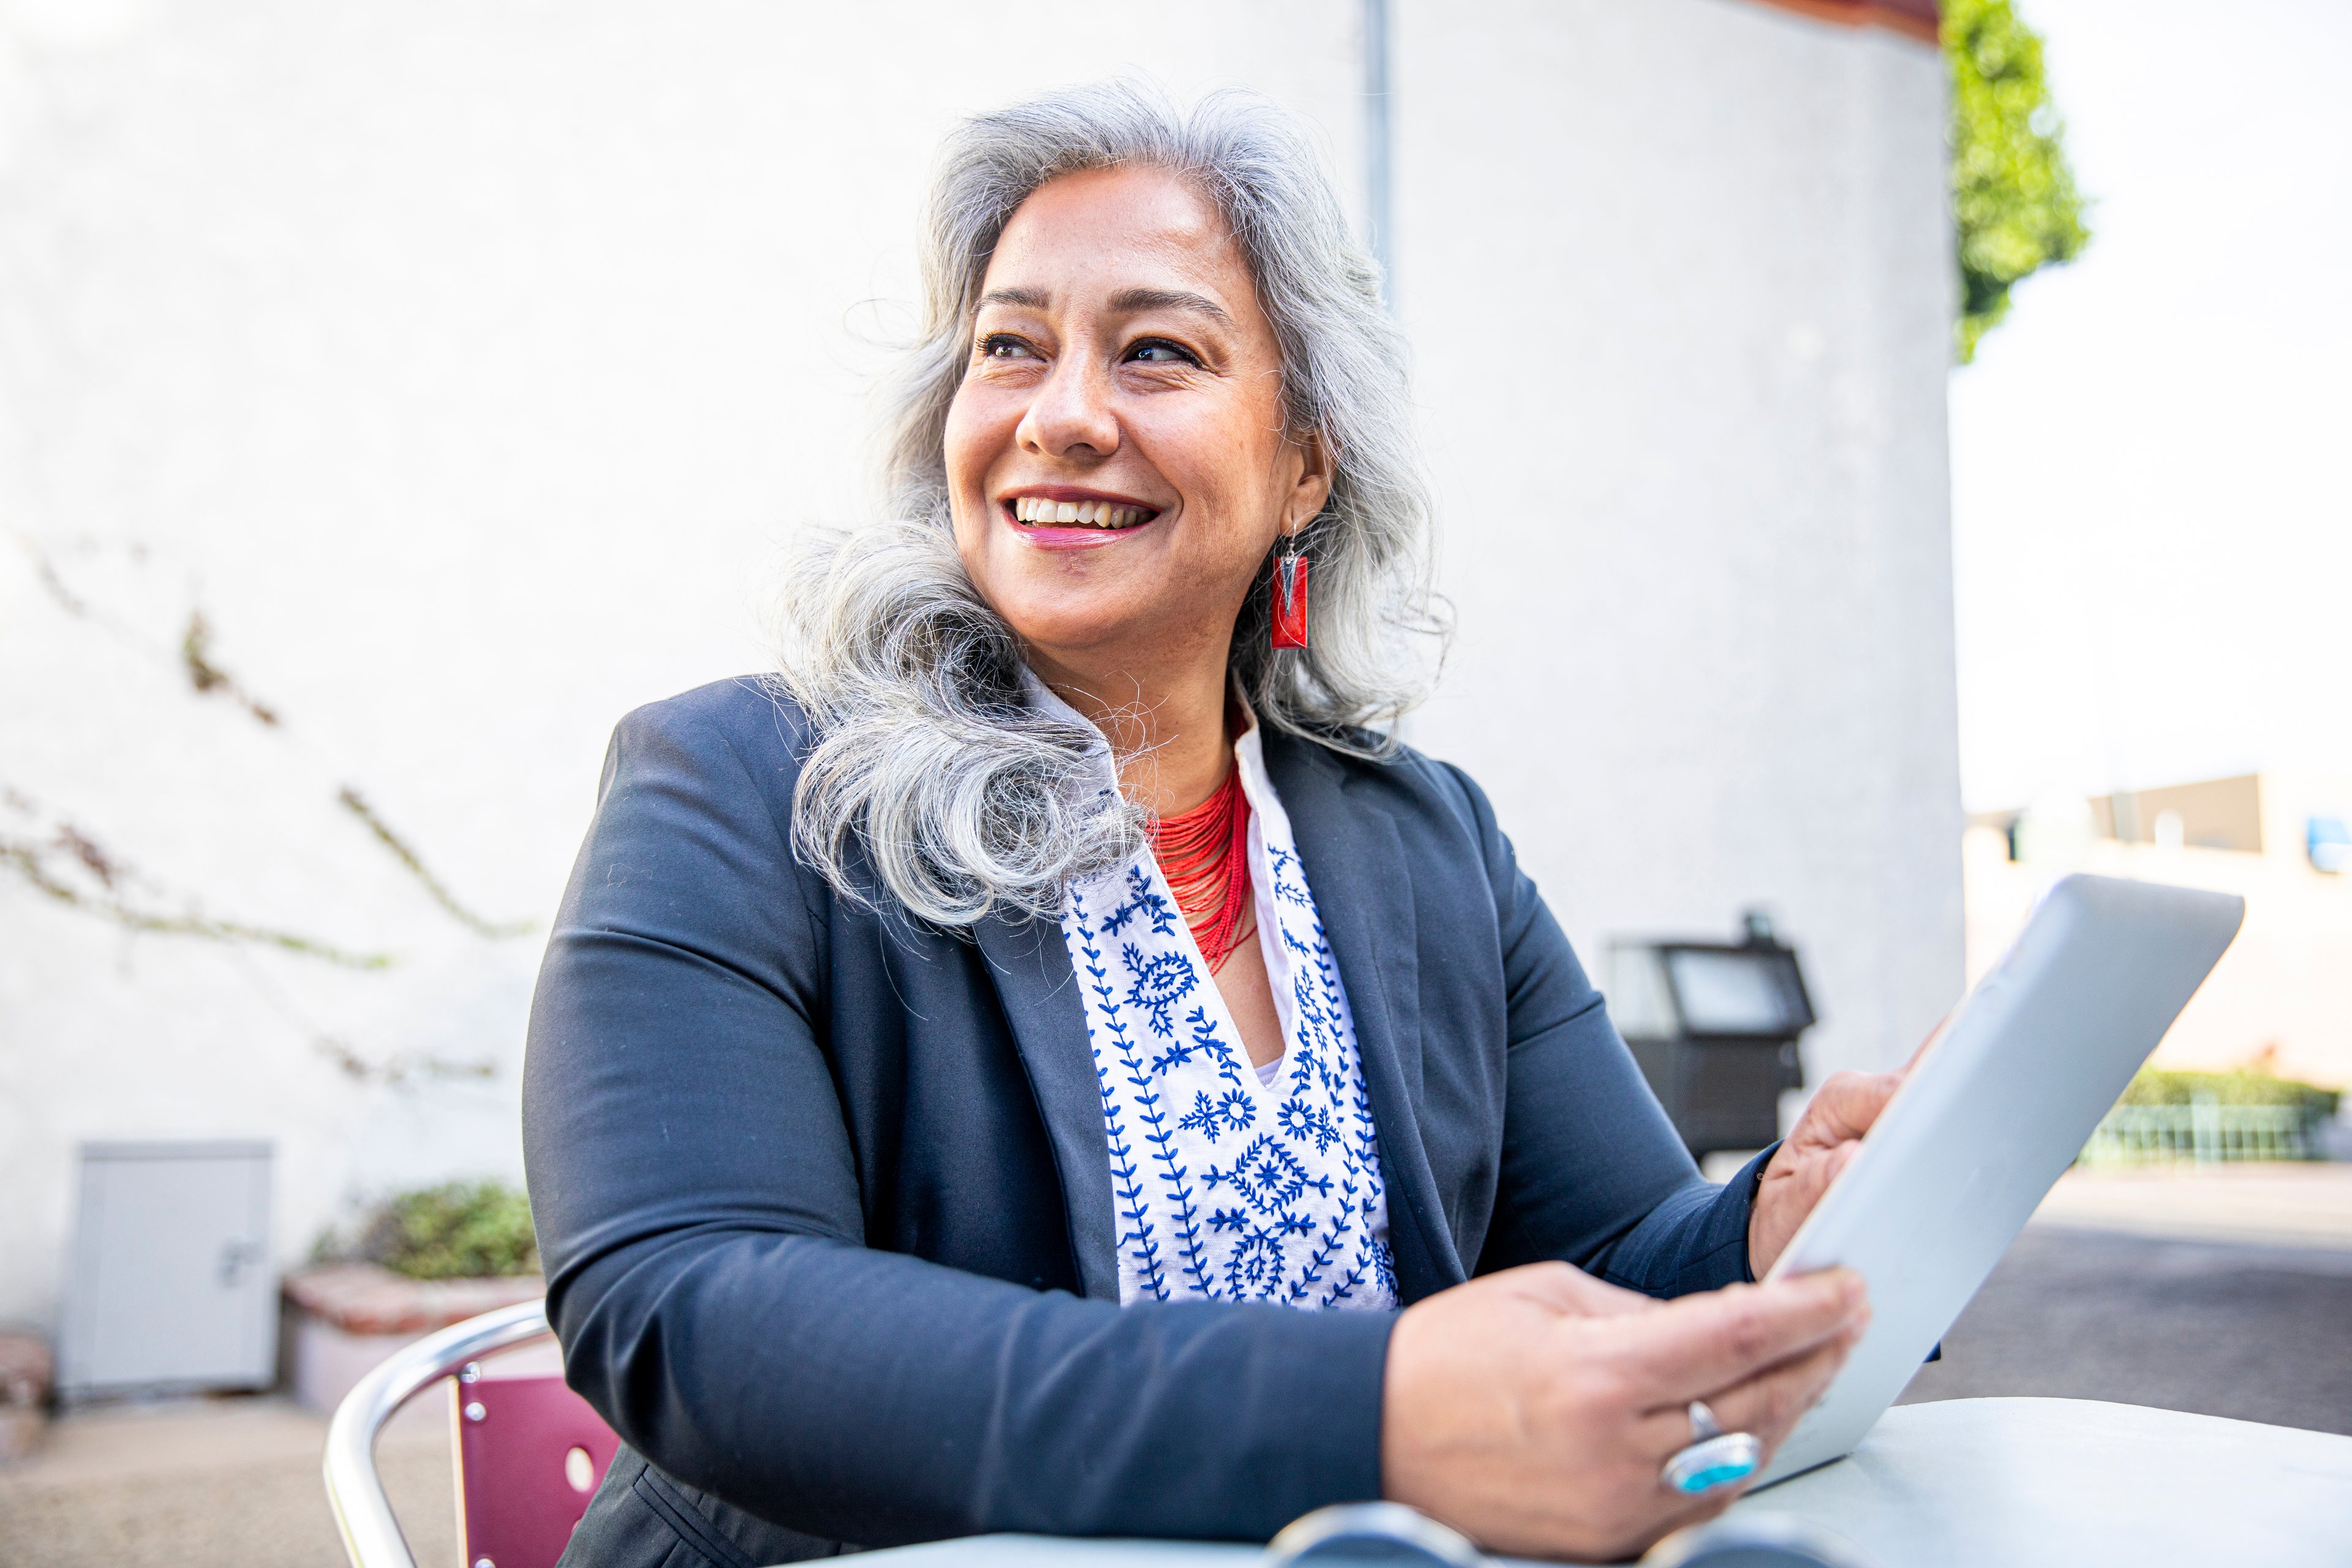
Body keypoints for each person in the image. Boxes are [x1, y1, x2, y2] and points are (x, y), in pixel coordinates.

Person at [523, 81, 1902, 1567]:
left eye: (1156, 352)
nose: (1061, 415)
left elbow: (1613, 1258)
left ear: (1306, 461)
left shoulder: (1427, 839)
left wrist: (1776, 1231)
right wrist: (1371, 1414)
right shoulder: (741, 787)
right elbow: (692, 1309)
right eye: (1010, 347)